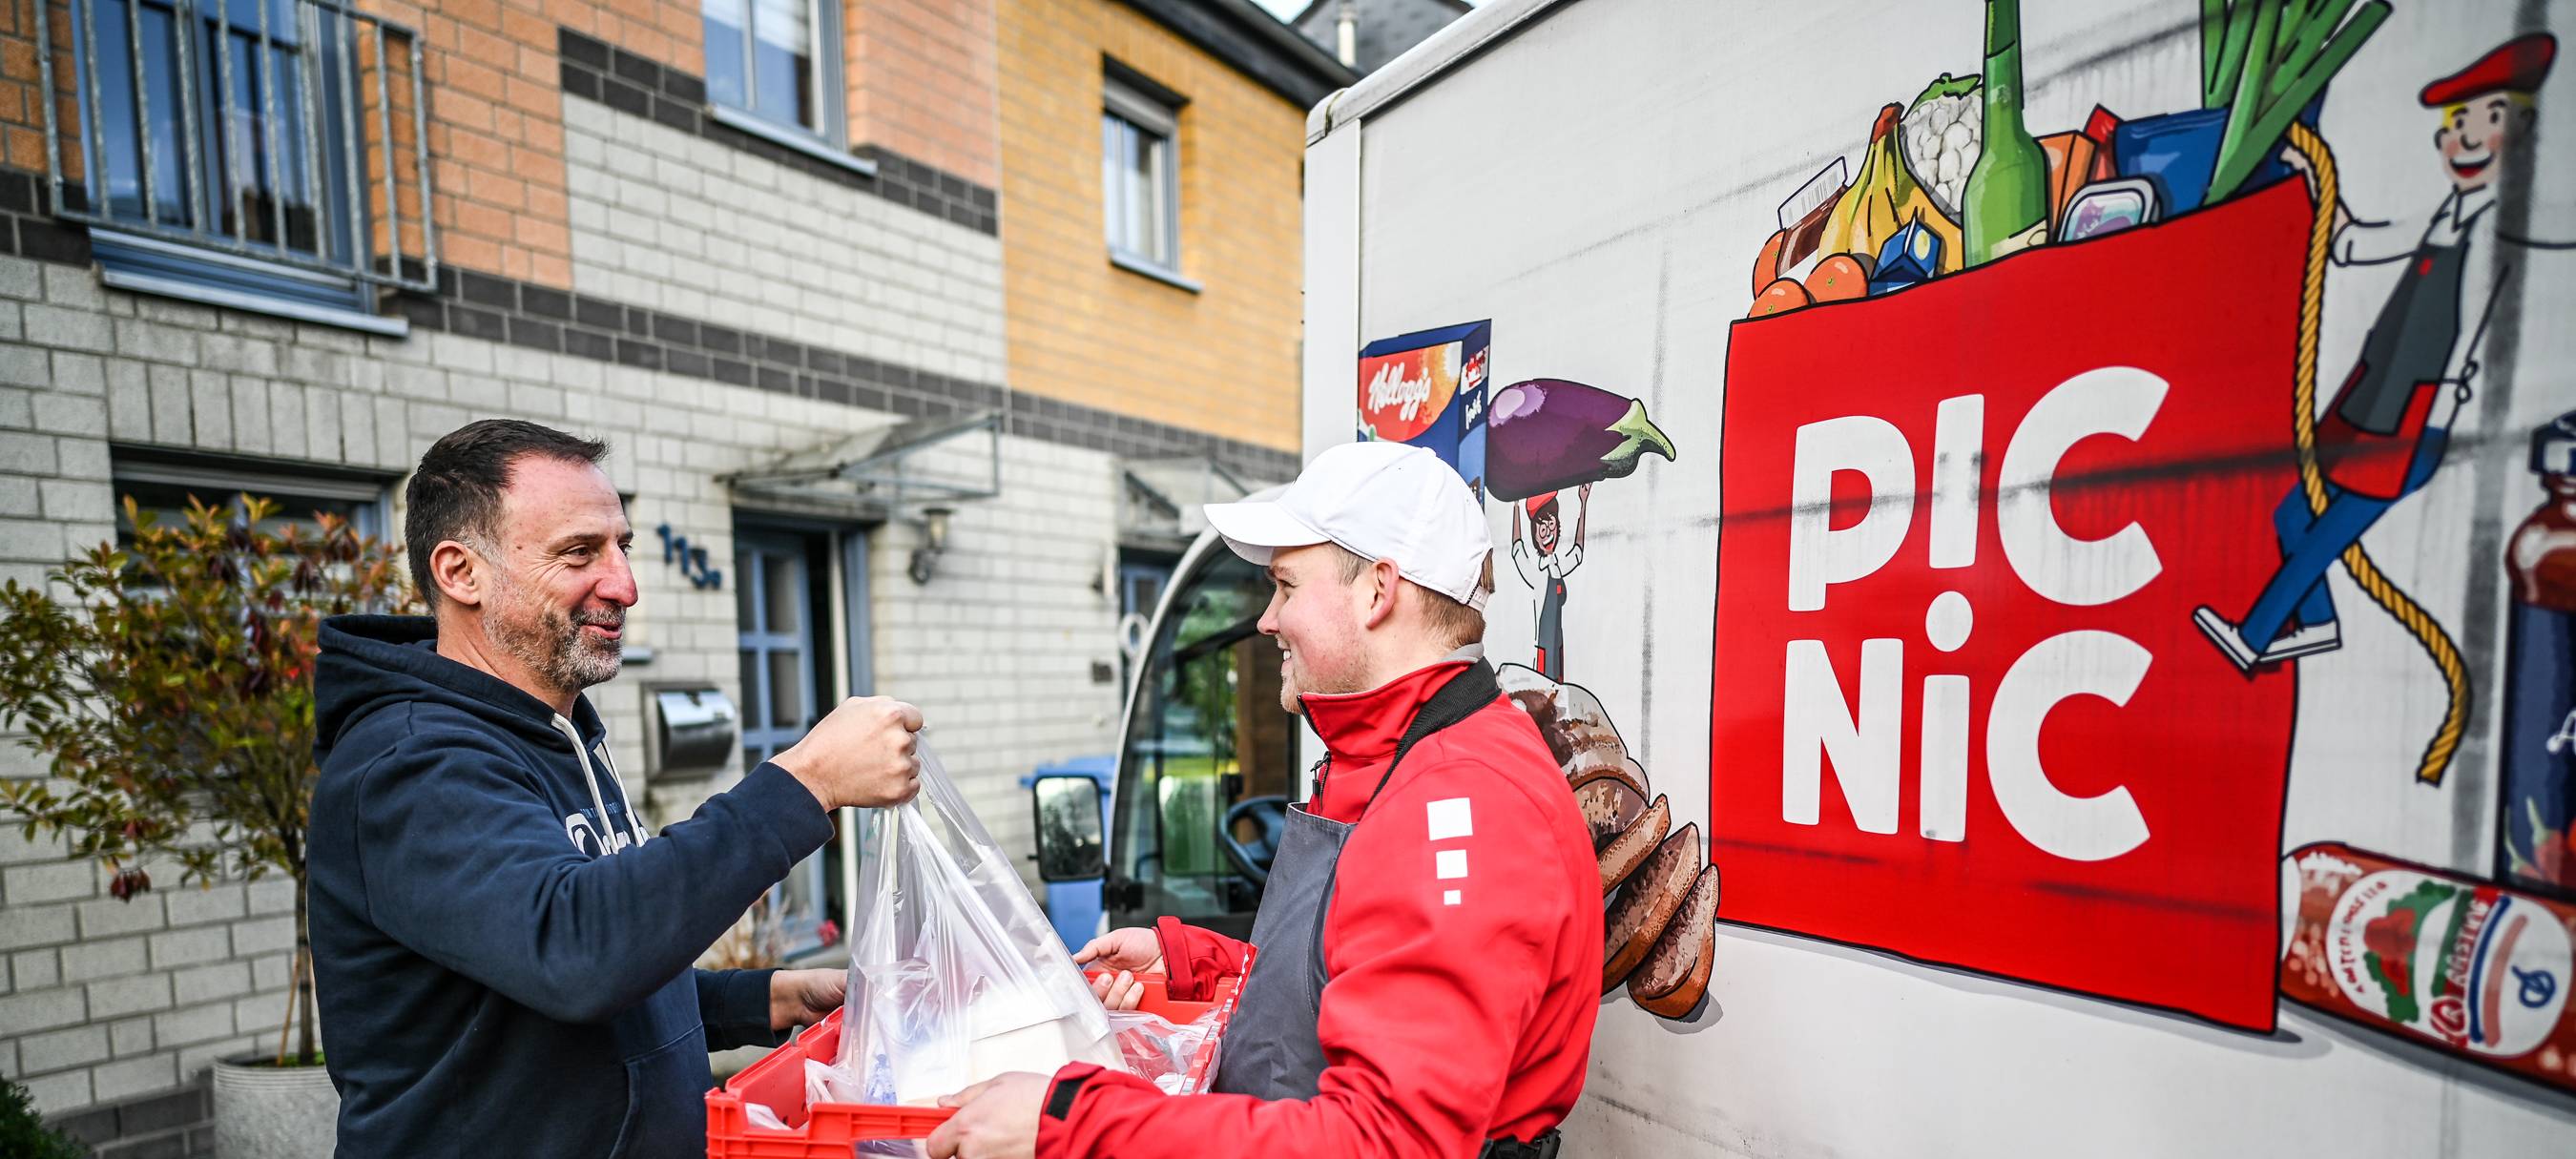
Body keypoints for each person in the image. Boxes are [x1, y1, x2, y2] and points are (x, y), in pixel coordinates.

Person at [931, 441, 1602, 1159]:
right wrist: (1198, 962)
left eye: (1285, 585)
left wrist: (1073, 1119)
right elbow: (1359, 965)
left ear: (1377, 591)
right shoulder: (1383, 755)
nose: (1266, 620)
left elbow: (1384, 1141)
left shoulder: (1458, 802)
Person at [307, 420, 924, 1159]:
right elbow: (577, 948)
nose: (623, 585)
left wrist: (766, 998)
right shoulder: (410, 764)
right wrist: (808, 779)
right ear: (460, 572)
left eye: (621, 547)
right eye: (578, 553)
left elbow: (560, 983)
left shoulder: (557, 732)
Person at [2197, 32, 2568, 670]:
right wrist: (2316, 172)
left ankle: (2254, 635)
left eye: (2492, 118)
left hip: (2410, 416)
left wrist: (2434, 423)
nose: (2471, 137)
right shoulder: (2442, 217)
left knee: (2320, 537)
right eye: (2459, 123)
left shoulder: (2493, 234)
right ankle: (2314, 623)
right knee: (2294, 512)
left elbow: (2472, 336)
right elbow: (2351, 243)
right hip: (2368, 397)